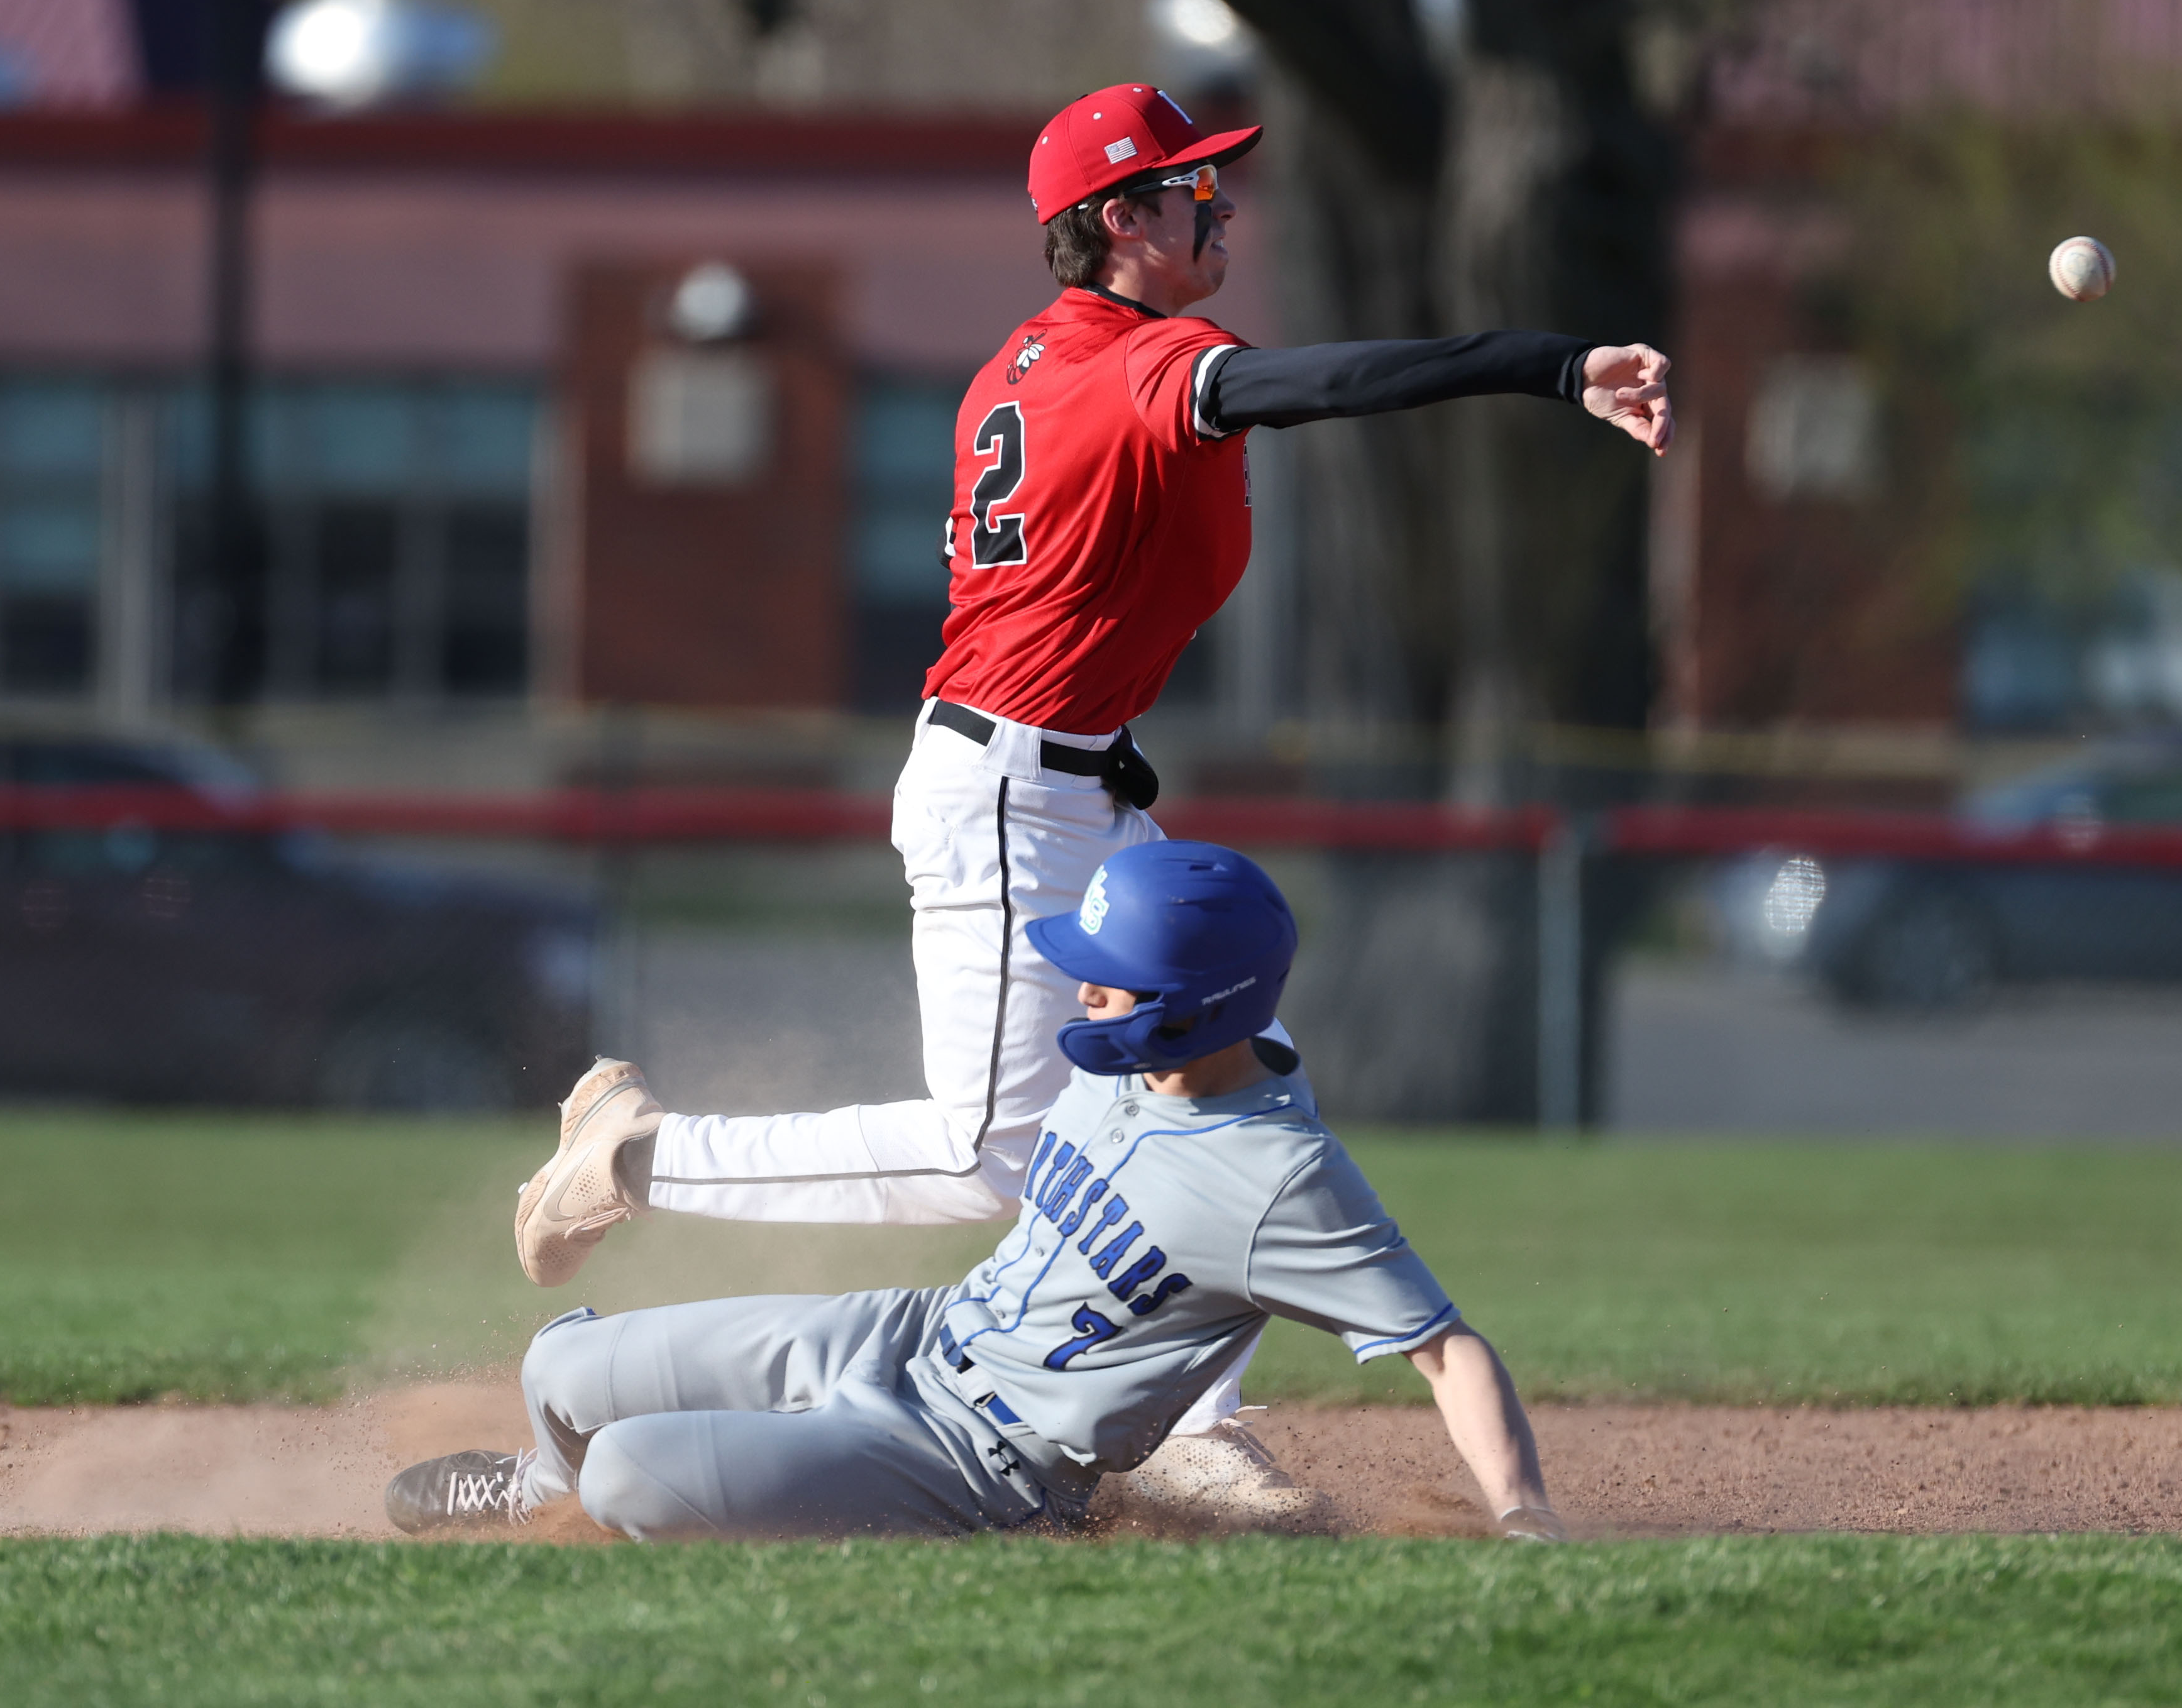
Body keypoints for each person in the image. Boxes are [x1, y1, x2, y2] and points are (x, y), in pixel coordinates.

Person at [509, 82, 1669, 1523]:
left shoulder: (1025, 364)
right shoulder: (1137, 369)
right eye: (1193, 189)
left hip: (1069, 775)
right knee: (987, 1152)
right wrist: (1556, 368)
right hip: (1007, 793)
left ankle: (1192, 1417)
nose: (1220, 206)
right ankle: (639, 1154)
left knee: (1235, 1064)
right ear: (1123, 221)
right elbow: (1330, 385)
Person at [396, 842, 1566, 1545]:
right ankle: (530, 1493)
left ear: (1190, 1010)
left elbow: (1446, 1347)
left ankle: (702, 1483)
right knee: (558, 1368)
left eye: (1111, 984)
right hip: (915, 1330)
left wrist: (1525, 1520)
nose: (1085, 991)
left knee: (630, 1471)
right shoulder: (1185, 1047)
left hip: (978, 1463)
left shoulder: (1281, 1183)